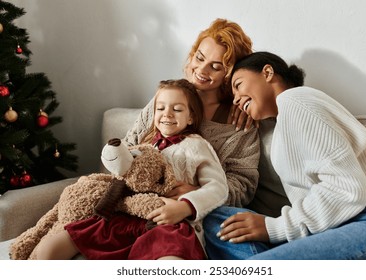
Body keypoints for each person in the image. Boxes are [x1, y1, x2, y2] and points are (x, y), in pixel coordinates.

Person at [203, 51, 366, 260]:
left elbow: (348, 188)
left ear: (267, 72)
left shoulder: (294, 100)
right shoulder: (283, 123)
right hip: (333, 225)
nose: (236, 100)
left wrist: (274, 227)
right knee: (212, 218)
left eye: (238, 85)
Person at [35, 79, 228, 260]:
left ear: (191, 117)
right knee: (50, 248)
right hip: (130, 215)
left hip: (167, 222)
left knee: (169, 257)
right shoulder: (144, 145)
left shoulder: (196, 145)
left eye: (177, 109)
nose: (167, 114)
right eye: (160, 108)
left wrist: (186, 206)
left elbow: (218, 188)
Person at [125, 18, 260, 208]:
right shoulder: (166, 98)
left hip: (193, 214)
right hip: (138, 200)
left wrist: (198, 193)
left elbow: (244, 187)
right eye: (199, 57)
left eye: (215, 67)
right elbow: (128, 146)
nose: (202, 70)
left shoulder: (239, 123)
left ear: (229, 74)